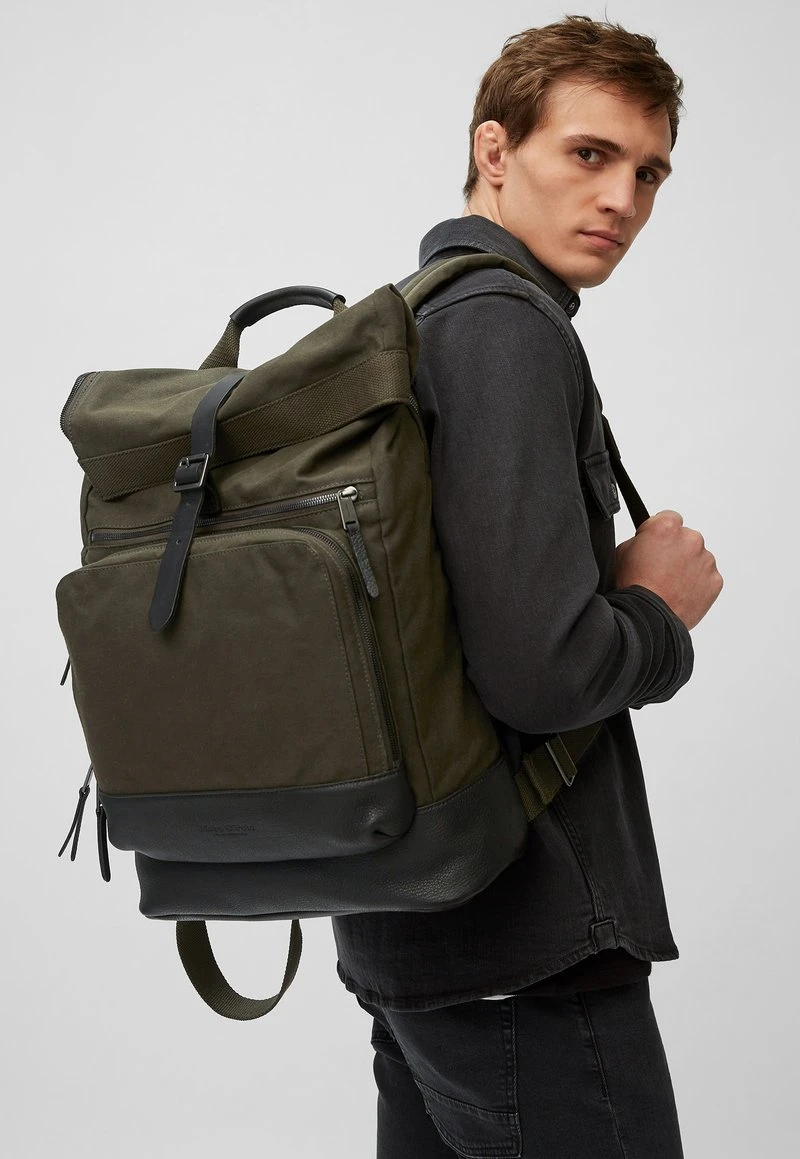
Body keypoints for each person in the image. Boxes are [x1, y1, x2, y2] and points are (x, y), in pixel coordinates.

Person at [330, 15, 723, 1158]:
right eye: (588, 154)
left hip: (416, 935)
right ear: (493, 150)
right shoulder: (503, 325)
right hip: (529, 956)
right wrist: (655, 613)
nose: (621, 199)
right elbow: (536, 671)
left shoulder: (410, 317)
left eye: (647, 173)